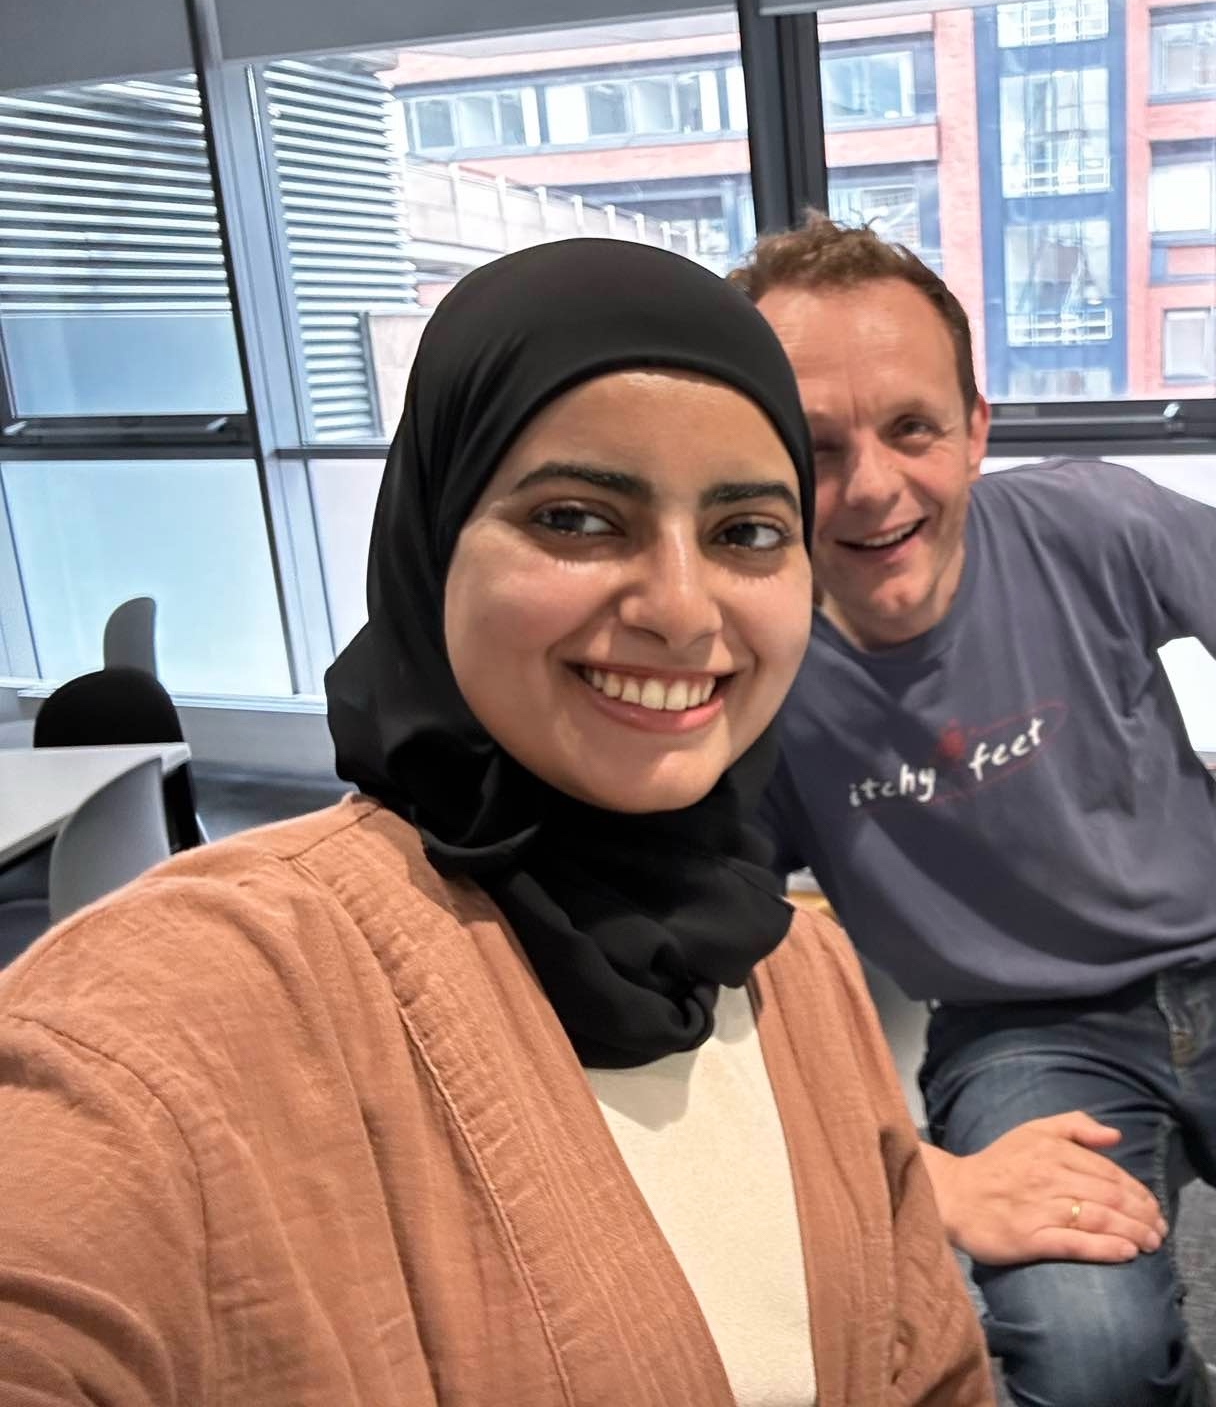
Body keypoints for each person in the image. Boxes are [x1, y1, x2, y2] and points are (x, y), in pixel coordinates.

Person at [0, 240, 989, 1406]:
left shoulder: (801, 974)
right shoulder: (203, 994)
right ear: (433, 540)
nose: (680, 610)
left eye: (747, 533)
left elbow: (929, 1370)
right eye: (577, 517)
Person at [732, 218, 1216, 1406]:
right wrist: (909, 1166)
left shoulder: (1090, 522)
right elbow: (721, 953)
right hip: (1023, 1030)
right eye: (818, 448)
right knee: (1087, 1360)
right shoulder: (754, 674)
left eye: (913, 428)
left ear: (977, 433)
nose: (873, 485)